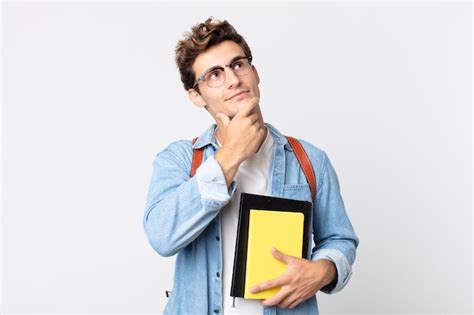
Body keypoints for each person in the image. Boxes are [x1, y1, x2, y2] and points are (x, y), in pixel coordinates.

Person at [143, 17, 359, 315]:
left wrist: (323, 269)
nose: (233, 79)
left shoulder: (310, 160)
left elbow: (340, 239)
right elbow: (162, 237)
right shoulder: (179, 159)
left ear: (254, 72)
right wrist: (230, 155)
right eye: (214, 74)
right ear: (196, 95)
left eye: (238, 65)